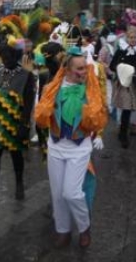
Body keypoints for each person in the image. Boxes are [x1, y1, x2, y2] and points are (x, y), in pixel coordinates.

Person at [35, 51, 107, 248]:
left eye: (85, 67)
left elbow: (99, 118)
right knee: (57, 194)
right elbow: (41, 118)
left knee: (72, 193)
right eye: (80, 68)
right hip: (56, 146)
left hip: (79, 148)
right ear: (67, 70)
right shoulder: (51, 88)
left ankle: (84, 227)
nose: (85, 71)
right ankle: (63, 231)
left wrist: (97, 128)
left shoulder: (90, 89)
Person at [0, 39, 36, 208]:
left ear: (17, 56)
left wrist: (24, 125)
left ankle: (19, 182)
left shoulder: (27, 75)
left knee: (16, 156)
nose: (6, 59)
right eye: (3, 56)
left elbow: (28, 103)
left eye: (9, 56)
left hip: (15, 124)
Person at [110, 28, 136, 148]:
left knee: (130, 109)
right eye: (131, 37)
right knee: (126, 108)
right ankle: (123, 135)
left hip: (134, 83)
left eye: (135, 37)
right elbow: (112, 66)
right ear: (126, 38)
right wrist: (121, 69)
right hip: (123, 84)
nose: (133, 40)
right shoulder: (120, 51)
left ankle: (123, 129)